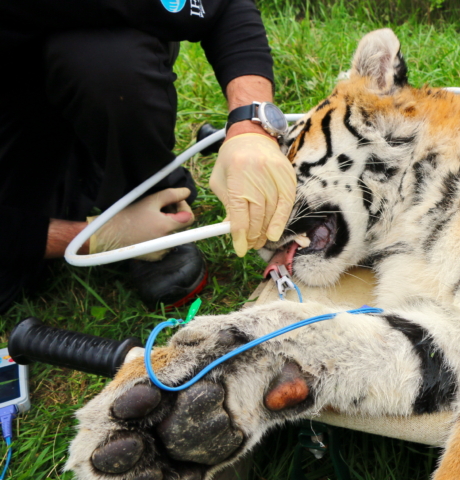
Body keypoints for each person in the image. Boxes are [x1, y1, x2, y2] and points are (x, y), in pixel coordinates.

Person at [0, 0, 296, 314]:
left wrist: (251, 124)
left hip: (72, 73)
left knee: (111, 64)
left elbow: (224, 7)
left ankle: (144, 193)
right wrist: (99, 238)